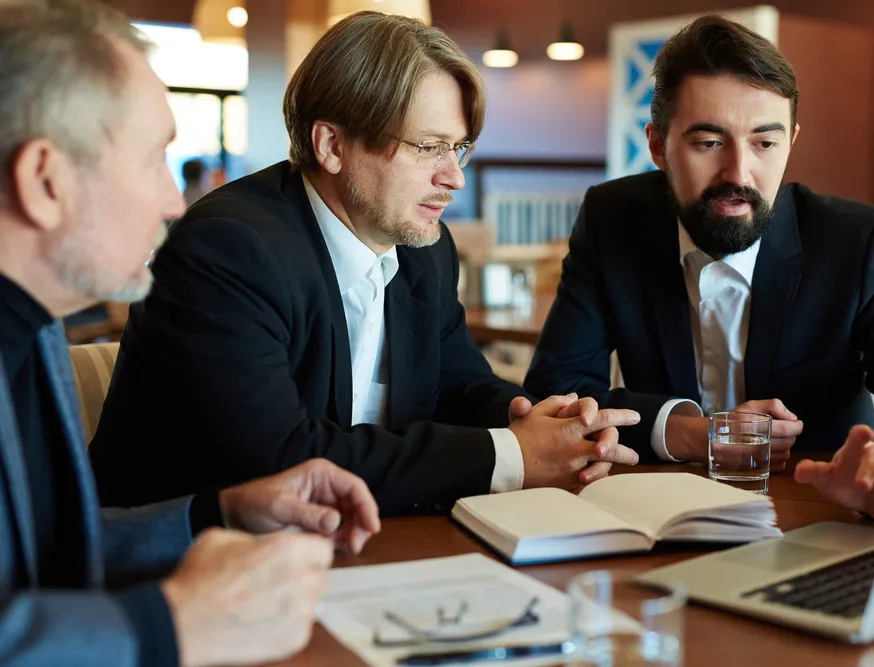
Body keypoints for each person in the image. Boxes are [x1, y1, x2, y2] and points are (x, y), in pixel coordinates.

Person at [88, 10, 641, 515]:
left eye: (459, 148)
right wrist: (512, 455)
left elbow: (460, 389)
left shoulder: (426, 251)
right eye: (429, 147)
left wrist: (560, 427)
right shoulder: (230, 248)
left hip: (359, 543)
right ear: (331, 145)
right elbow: (280, 462)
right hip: (175, 573)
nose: (455, 176)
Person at [0, 2, 382, 665]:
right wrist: (166, 623)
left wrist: (219, 512)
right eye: (155, 160)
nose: (174, 201)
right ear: (44, 181)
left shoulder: (33, 331)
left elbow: (38, 557)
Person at [523, 16, 874, 493]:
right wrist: (689, 434)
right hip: (658, 503)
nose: (739, 174)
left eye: (765, 143)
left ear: (791, 142)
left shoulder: (861, 240)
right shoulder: (612, 219)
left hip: (817, 504)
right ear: (659, 146)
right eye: (709, 142)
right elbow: (556, 392)